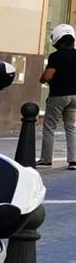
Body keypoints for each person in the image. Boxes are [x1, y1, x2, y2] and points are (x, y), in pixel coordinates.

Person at [40, 23, 76, 169]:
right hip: (75, 96)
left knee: (49, 127)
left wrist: (42, 79)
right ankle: (73, 161)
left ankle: (46, 158)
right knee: (71, 127)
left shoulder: (56, 56)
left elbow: (48, 76)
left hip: (58, 95)